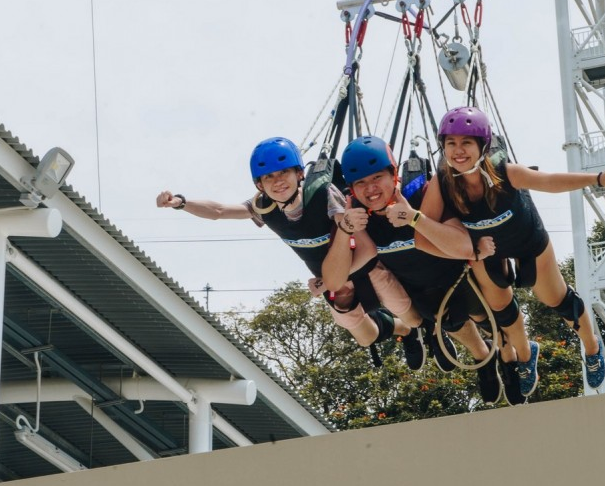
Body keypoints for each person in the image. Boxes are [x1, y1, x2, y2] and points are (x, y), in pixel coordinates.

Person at [156, 136, 428, 369]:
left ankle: (418, 328)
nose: (277, 182)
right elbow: (219, 211)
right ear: (260, 184)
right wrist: (181, 202)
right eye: (269, 177)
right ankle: (403, 331)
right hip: (332, 281)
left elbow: (367, 249)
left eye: (283, 173)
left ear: (299, 174)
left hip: (363, 267)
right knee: (366, 337)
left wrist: (330, 280)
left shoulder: (323, 196)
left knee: (414, 316)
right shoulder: (264, 207)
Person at [422, 106, 605, 392]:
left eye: (466, 142)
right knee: (501, 311)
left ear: (482, 146)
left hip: (528, 241)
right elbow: (424, 234)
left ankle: (592, 346)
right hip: (486, 250)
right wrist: (467, 251)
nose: (458, 151)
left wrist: (597, 178)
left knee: (557, 300)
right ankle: (526, 356)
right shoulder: (442, 183)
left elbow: (549, 181)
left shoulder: (505, 172)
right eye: (451, 143)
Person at [322, 135, 508, 405]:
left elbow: (464, 246)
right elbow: (335, 280)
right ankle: (484, 358)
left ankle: (514, 354)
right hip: (419, 288)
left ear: (393, 174)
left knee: (485, 317)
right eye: (360, 183)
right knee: (447, 320)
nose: (370, 189)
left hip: (457, 274)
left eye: (377, 178)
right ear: (351, 189)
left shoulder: (421, 193)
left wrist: (414, 218)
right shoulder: (356, 213)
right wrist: (345, 229)